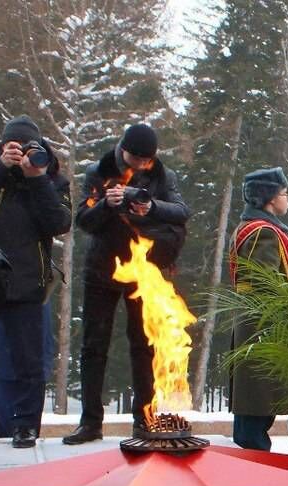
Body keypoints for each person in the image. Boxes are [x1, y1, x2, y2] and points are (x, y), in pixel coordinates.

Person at [64, 123, 189, 444]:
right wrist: (107, 202)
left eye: (148, 160)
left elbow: (181, 211)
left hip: (144, 270)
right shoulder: (99, 171)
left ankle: (144, 419)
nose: (142, 166)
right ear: (123, 150)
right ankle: (90, 422)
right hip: (102, 270)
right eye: (137, 159)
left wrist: (150, 206)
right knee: (94, 345)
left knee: (144, 345)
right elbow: (83, 220)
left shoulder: (163, 175)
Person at [0, 115, 72, 449]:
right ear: (2, 145)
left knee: (28, 360)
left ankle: (25, 424)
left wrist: (36, 179)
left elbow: (58, 222)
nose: (21, 154)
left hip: (27, 279)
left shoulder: (52, 179)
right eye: (14, 147)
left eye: (27, 147)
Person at [229, 166, 288, 452]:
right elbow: (265, 282)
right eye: (284, 193)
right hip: (261, 327)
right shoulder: (263, 233)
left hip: (254, 322)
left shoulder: (253, 228)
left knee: (255, 405)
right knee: (256, 407)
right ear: (269, 199)